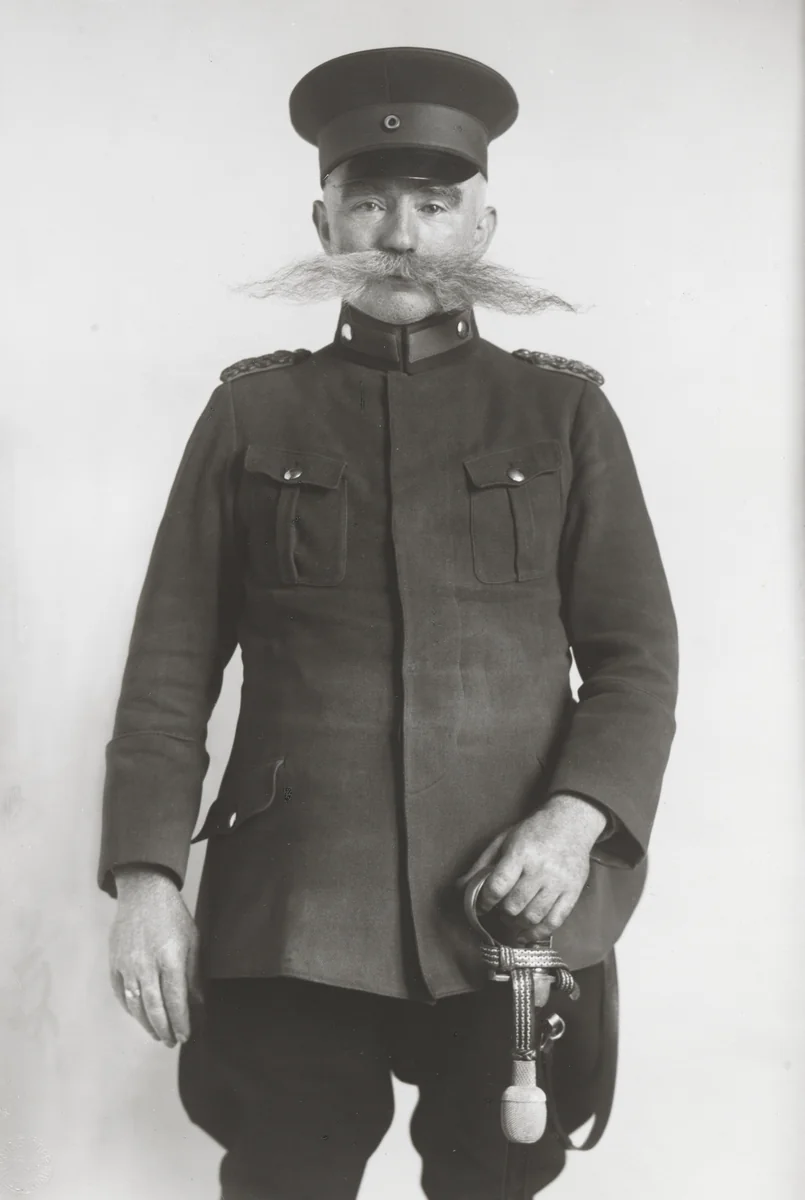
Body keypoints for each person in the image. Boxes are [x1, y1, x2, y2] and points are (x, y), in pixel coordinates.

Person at [98, 46, 678, 1200]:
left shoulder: (562, 415)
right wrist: (144, 879)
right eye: (368, 200)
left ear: (483, 220)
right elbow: (167, 673)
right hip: (295, 906)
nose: (399, 236)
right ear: (323, 221)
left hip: (510, 906)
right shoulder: (251, 413)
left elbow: (634, 659)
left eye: (433, 202)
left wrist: (574, 822)